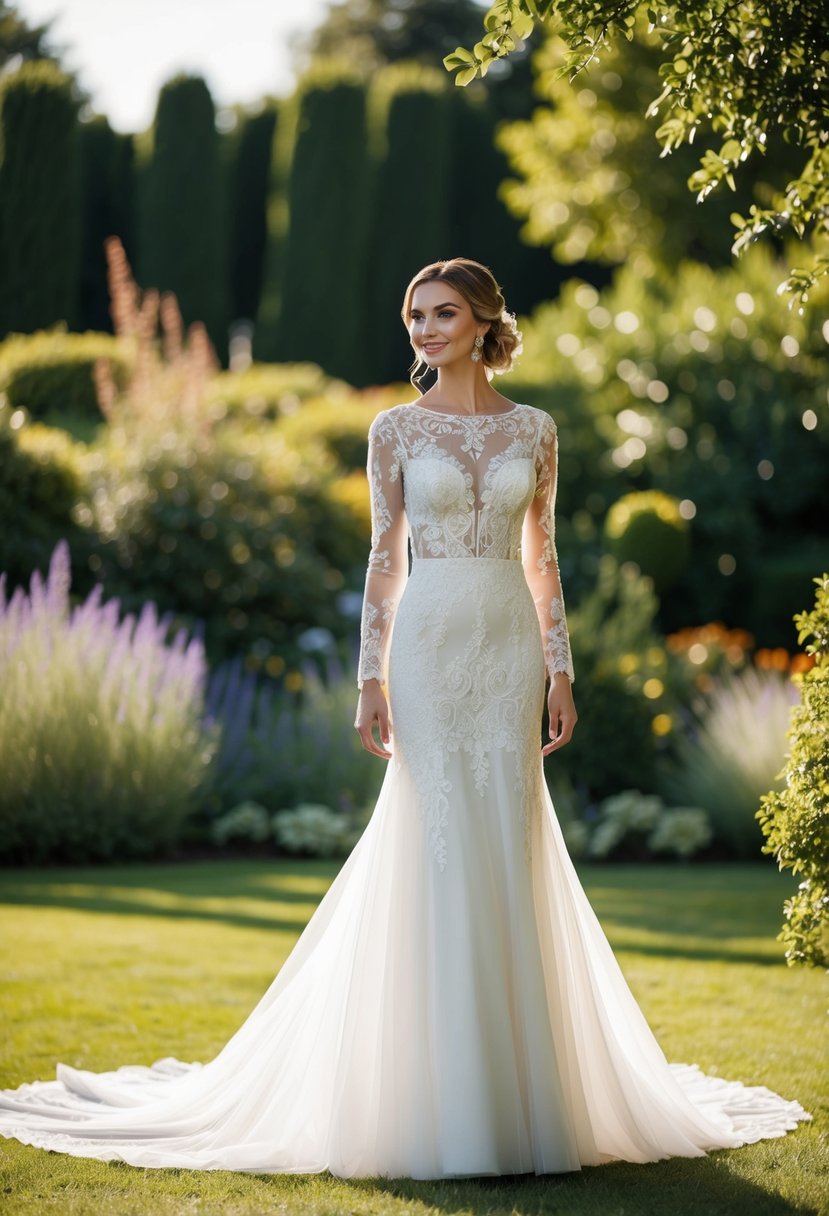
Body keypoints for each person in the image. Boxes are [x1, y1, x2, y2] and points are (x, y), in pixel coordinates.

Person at [0, 258, 810, 1178]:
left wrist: (561, 671)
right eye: (414, 315)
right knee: (428, 832)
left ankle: (517, 1090)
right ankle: (423, 1089)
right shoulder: (392, 430)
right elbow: (386, 560)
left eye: (442, 314)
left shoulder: (536, 431)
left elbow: (543, 561)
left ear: (481, 323)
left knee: (508, 836)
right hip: (424, 647)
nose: (424, 329)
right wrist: (368, 679)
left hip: (505, 645)